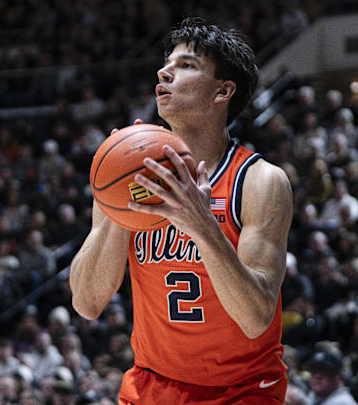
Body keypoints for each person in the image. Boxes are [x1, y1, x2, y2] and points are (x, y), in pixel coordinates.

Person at [70, 17, 292, 404]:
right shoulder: (121, 173)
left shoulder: (259, 182)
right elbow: (87, 303)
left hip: (241, 391)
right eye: (166, 62)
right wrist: (119, 204)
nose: (164, 71)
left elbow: (256, 318)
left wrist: (203, 225)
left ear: (222, 91)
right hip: (152, 384)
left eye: (186, 65)